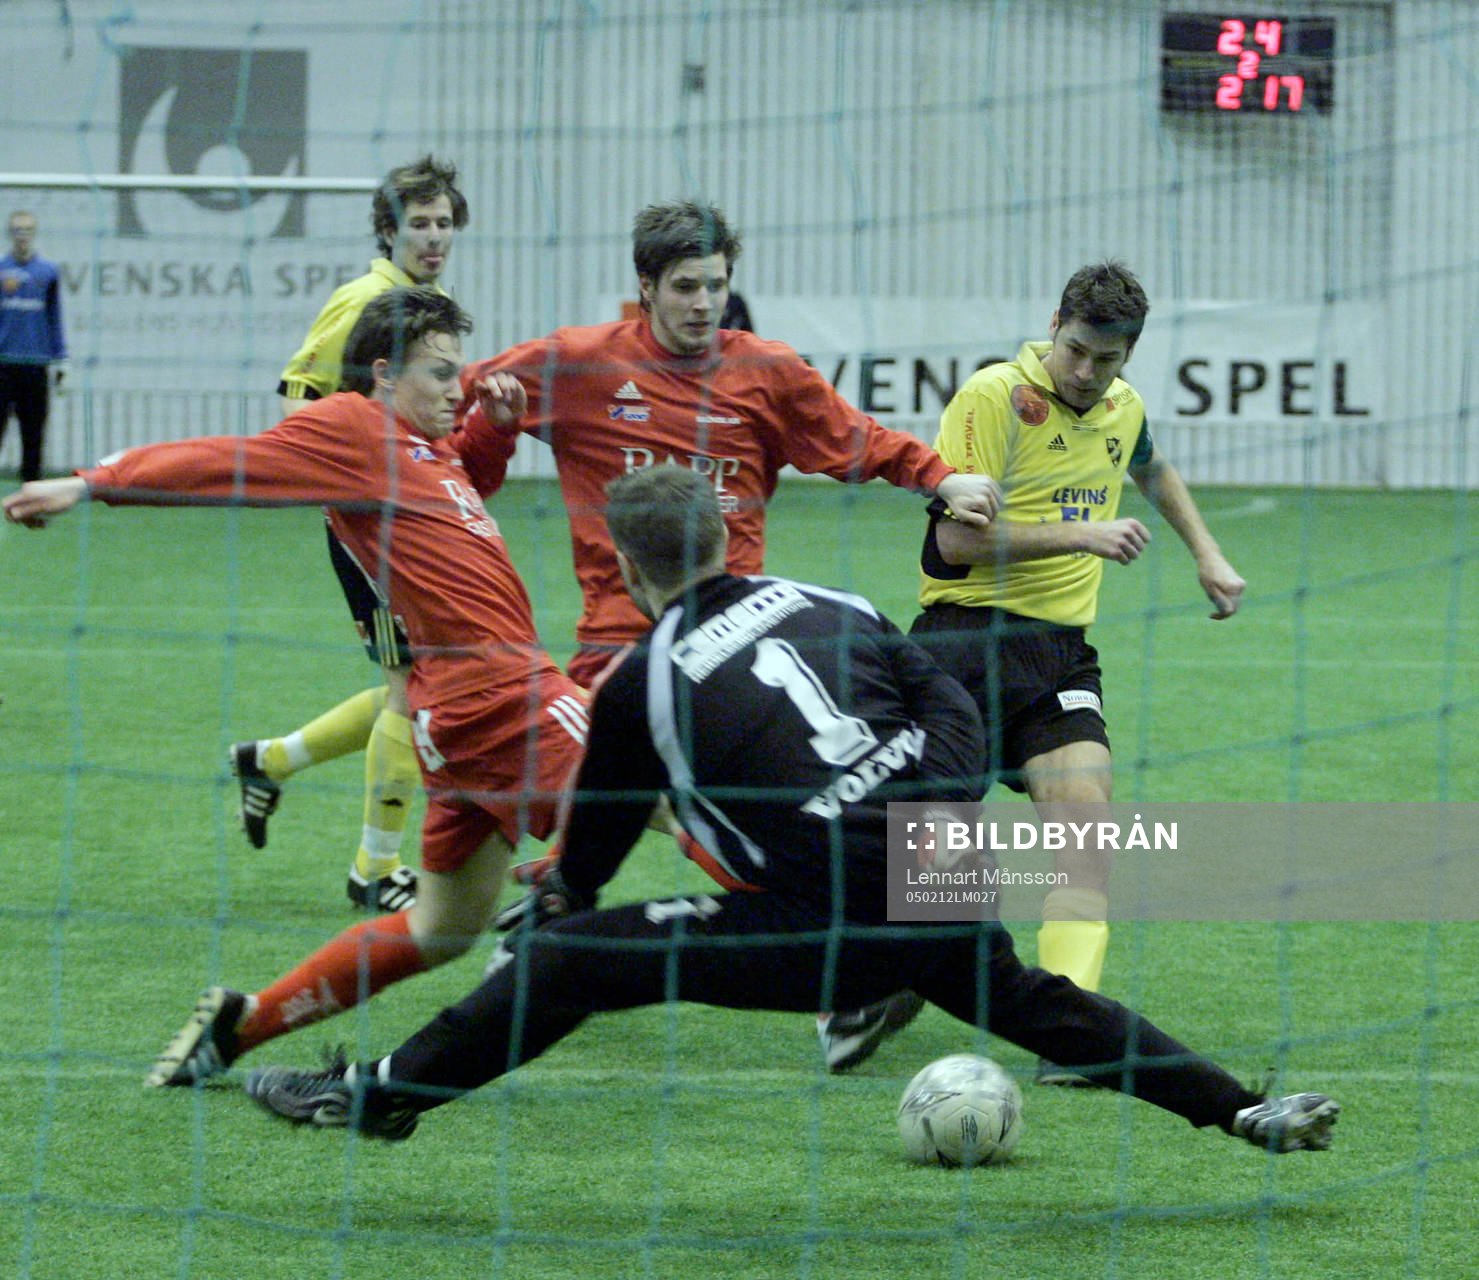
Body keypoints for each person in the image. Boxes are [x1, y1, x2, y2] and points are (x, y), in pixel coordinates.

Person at [242, 466, 1338, 1160]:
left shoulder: (641, 679)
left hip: (831, 929)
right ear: (725, 537)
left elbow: (598, 842)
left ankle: (379, 1093)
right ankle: (1239, 1108)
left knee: (572, 958)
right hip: (936, 856)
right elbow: (946, 695)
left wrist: (566, 893)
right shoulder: (832, 599)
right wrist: (934, 797)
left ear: (626, 569)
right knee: (1026, 995)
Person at [460, 200, 1001, 1068]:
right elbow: (465, 441)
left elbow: (851, 439)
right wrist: (481, 421)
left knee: (739, 806)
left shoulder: (767, 372)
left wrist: (939, 479)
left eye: (716, 285)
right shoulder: (572, 363)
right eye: (685, 286)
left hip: (739, 634)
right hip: (620, 645)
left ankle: (840, 971)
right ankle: (554, 914)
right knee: (621, 789)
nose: (704, 302)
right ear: (644, 287)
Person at [4, 288, 591, 1087]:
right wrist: (92, 481)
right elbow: (227, 462)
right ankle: (823, 954)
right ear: (383, 374)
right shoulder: (353, 428)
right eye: (442, 373)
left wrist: (492, 427)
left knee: (442, 931)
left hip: (457, 702)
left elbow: (461, 491)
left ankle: (243, 1026)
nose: (458, 387)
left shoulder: (425, 446)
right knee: (670, 779)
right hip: (498, 692)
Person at [908, 260, 1247, 1085]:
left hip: (1059, 652)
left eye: (1108, 360)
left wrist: (1207, 553)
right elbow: (950, 546)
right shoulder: (993, 397)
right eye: (1076, 352)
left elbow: (1149, 465)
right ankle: (876, 988)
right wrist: (1084, 536)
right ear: (1052, 325)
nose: (1088, 375)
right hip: (960, 643)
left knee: (1087, 833)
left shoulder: (1121, 406)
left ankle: (1070, 1037)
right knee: (927, 870)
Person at [235, 156, 471, 915]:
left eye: (443, 224)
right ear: (388, 229)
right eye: (419, 224)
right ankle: (375, 868)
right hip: (372, 529)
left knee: (422, 680)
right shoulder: (365, 299)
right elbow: (301, 408)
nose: (433, 237)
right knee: (414, 686)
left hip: (415, 524)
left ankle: (269, 760)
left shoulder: (426, 301)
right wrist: (352, 482)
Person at [0, 211, 68, 483]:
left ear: (34, 233)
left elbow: (54, 316)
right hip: (3, 364)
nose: (22, 235)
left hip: (35, 365)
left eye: (27, 229)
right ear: (10, 233)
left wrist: (62, 358)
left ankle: (31, 494)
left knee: (33, 436)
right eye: (17, 230)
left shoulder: (48, 272)